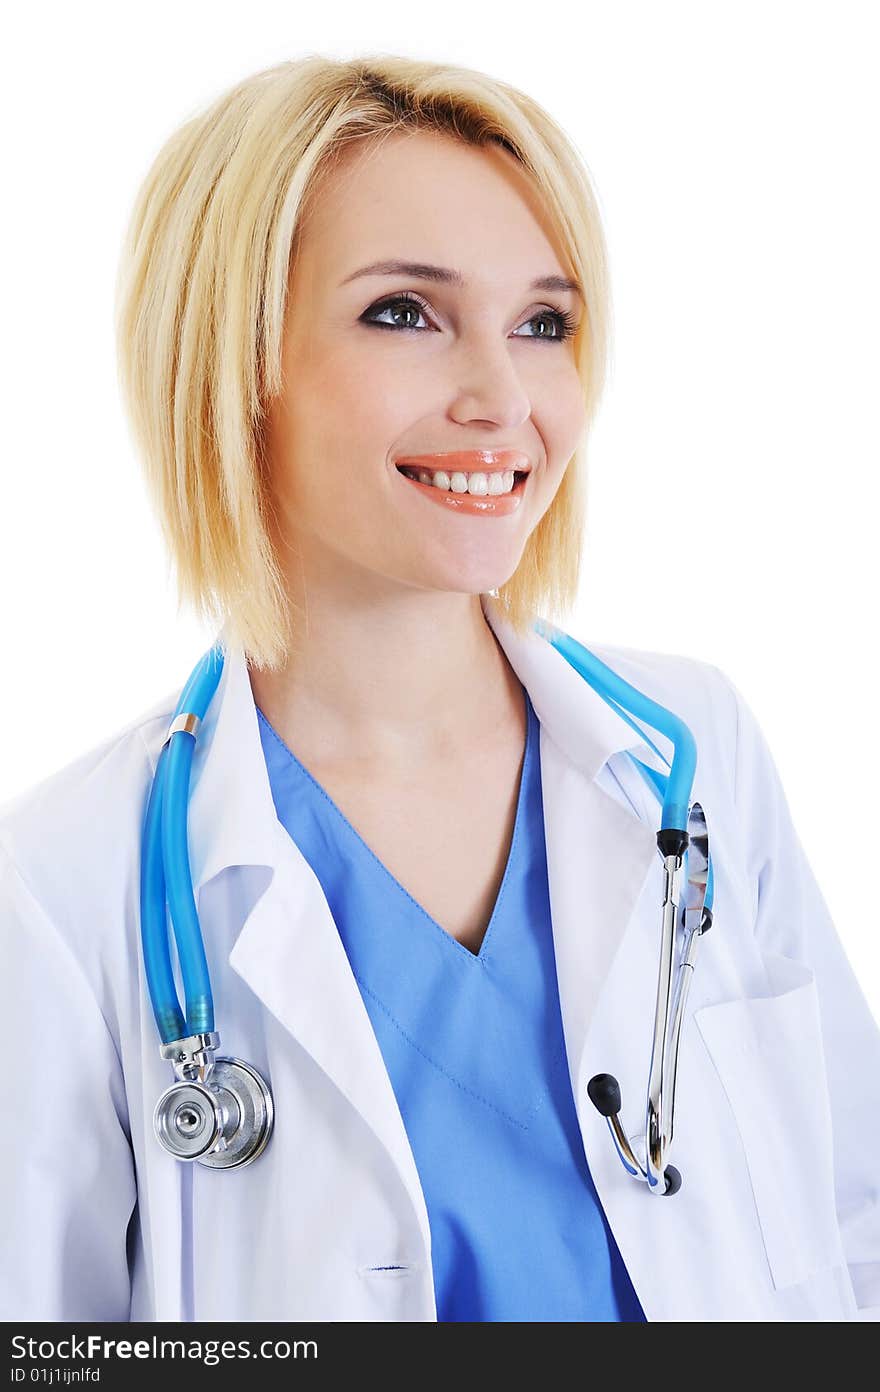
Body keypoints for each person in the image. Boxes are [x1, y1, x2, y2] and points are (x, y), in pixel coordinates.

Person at [1, 53, 878, 1324]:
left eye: (544, 324)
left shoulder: (694, 756)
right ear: (233, 357)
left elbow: (851, 1227)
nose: (504, 400)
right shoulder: (65, 886)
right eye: (405, 313)